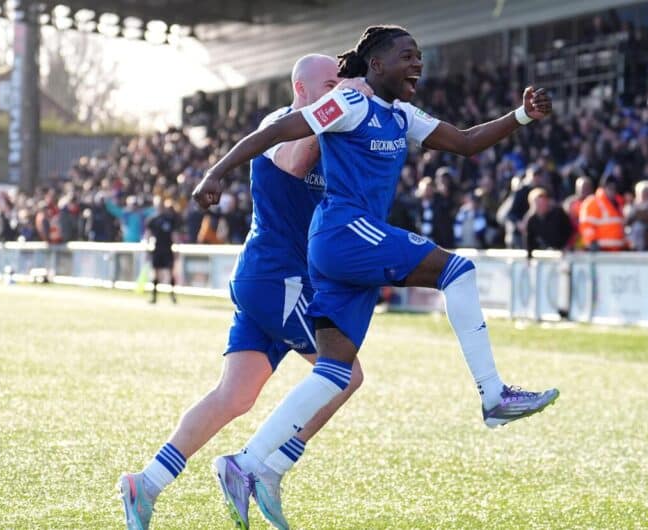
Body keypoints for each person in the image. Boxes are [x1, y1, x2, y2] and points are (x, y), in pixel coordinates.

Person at [193, 25, 559, 523]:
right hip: (345, 233)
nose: (417, 65)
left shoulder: (401, 115)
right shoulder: (348, 105)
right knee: (458, 270)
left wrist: (520, 116)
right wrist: (216, 171)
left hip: (347, 249)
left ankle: (248, 463)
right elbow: (279, 131)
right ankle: (494, 395)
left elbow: (468, 142)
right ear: (377, 64)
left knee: (335, 372)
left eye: (420, 57)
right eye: (407, 56)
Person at [118, 55, 372, 530]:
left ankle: (145, 483)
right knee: (345, 373)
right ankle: (263, 469)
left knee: (234, 397)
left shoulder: (323, 128)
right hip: (278, 279)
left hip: (278, 280)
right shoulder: (279, 124)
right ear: (301, 87)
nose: (339, 91)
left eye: (342, 84)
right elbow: (295, 162)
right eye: (330, 84)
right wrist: (341, 107)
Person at [579, 175, 628, 251]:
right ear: (604, 188)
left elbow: (620, 227)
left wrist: (626, 244)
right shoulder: (593, 202)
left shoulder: (618, 204)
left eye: (615, 189)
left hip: (617, 251)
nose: (613, 191)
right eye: (610, 188)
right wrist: (592, 241)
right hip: (601, 251)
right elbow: (586, 225)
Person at [145, 197, 181, 304]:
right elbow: (148, 235)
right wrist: (147, 248)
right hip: (157, 249)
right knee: (155, 273)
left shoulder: (169, 219)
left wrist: (176, 248)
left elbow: (174, 235)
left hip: (167, 249)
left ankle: (172, 296)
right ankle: (154, 296)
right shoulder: (152, 220)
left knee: (170, 272)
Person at [523, 187, 573, 257]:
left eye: (543, 203)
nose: (541, 206)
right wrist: (529, 258)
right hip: (545, 253)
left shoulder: (558, 213)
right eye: (538, 204)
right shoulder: (531, 220)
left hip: (564, 252)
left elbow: (570, 231)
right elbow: (529, 241)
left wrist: (567, 246)